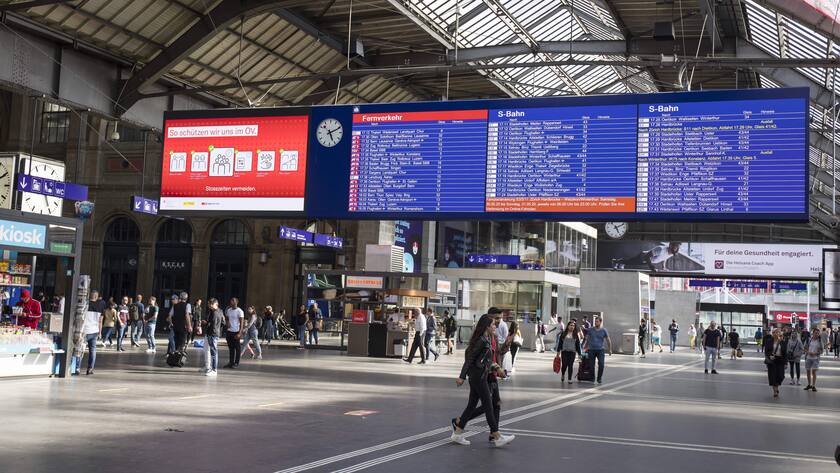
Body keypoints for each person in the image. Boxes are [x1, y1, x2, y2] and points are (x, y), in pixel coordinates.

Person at [450, 314, 515, 448]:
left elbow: (487, 361)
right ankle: (497, 436)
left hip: (480, 376)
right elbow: (470, 359)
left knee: (472, 405)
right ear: (486, 326)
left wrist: (497, 368)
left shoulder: (486, 339)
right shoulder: (481, 340)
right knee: (488, 405)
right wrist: (462, 377)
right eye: (492, 325)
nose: (495, 326)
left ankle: (457, 432)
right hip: (478, 377)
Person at [611, 242, 682, 272]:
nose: (677, 250)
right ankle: (615, 261)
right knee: (631, 262)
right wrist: (651, 267)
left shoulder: (671, 253)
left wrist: (664, 267)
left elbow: (664, 258)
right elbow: (647, 256)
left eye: (677, 248)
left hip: (648, 261)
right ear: (670, 246)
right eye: (676, 247)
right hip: (643, 257)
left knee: (630, 261)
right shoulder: (660, 249)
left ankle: (620, 262)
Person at [582, 316, 612, 384]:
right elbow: (587, 339)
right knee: (591, 365)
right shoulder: (591, 329)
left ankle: (599, 378)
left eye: (597, 321)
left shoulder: (604, 330)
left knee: (601, 364)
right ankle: (592, 378)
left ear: (600, 322)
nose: (596, 323)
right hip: (591, 350)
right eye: (595, 321)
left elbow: (608, 340)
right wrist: (585, 348)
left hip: (600, 350)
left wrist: (610, 349)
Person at [79, 296, 103, 376]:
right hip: (95, 330)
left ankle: (77, 367)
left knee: (81, 349)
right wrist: (100, 332)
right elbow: (100, 321)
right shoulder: (100, 306)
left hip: (85, 330)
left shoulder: (85, 305)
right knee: (92, 350)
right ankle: (90, 369)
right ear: (96, 296)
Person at [202, 298, 224, 376]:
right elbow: (223, 322)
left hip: (212, 334)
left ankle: (214, 370)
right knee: (208, 350)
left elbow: (213, 324)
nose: (210, 305)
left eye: (211, 304)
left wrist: (208, 324)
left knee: (213, 352)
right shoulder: (219, 311)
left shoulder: (215, 313)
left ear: (216, 304)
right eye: (209, 304)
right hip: (213, 333)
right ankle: (209, 367)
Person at [555, 319, 581, 383]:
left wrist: (579, 355)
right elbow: (560, 343)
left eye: (573, 326)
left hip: (572, 352)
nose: (572, 327)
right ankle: (563, 374)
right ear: (568, 326)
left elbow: (578, 345)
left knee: (570, 365)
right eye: (571, 325)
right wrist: (558, 352)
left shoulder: (576, 335)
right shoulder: (563, 333)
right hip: (564, 352)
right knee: (564, 365)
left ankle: (569, 379)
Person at [764, 328, 787, 398]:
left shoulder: (782, 342)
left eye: (778, 332)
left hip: (780, 360)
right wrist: (769, 356)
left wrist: (786, 362)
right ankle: (775, 391)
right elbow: (766, 351)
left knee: (781, 376)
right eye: (775, 332)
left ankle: (777, 386)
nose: (777, 334)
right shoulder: (769, 341)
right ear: (772, 333)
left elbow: (785, 353)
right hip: (772, 360)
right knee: (773, 376)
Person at [170, 292, 193, 358]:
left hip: (176, 326)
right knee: (182, 341)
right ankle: (179, 358)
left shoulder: (175, 305)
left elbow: (171, 316)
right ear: (186, 298)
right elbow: (187, 315)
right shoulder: (187, 305)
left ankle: (175, 356)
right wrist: (189, 325)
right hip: (183, 326)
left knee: (177, 341)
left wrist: (172, 323)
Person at [224, 298, 244, 368]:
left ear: (236, 302)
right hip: (229, 331)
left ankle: (236, 363)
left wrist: (240, 333)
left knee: (237, 348)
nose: (231, 302)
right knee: (231, 348)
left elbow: (242, 323)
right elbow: (226, 318)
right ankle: (231, 362)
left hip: (236, 331)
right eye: (231, 300)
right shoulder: (229, 310)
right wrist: (227, 323)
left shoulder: (240, 311)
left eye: (233, 301)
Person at [804, 328, 823, 392]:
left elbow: (821, 350)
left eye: (818, 333)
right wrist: (808, 352)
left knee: (814, 372)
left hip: (815, 358)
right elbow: (805, 348)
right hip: (808, 357)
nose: (816, 334)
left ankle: (813, 385)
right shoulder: (809, 340)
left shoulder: (820, 341)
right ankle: (809, 384)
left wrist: (816, 353)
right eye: (815, 333)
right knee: (808, 371)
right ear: (813, 333)